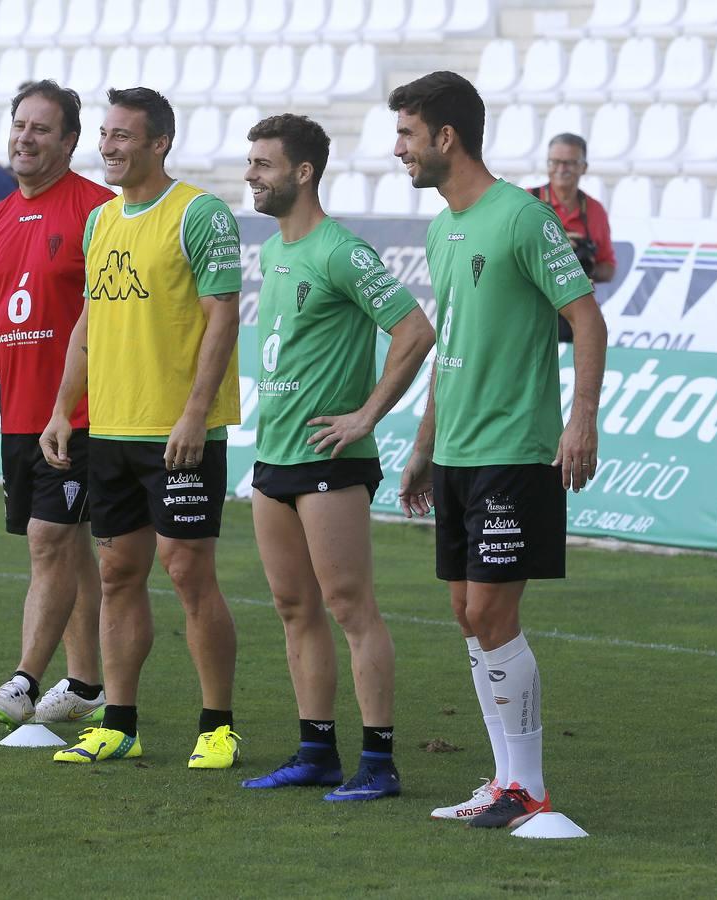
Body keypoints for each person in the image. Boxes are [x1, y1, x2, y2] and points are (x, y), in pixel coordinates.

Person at [389, 72, 606, 829]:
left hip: (516, 450)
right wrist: (423, 443)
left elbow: (586, 320)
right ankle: (504, 782)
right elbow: (453, 346)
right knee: (466, 613)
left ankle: (532, 788)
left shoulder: (522, 217)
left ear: (446, 138)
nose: (399, 151)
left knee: (491, 610)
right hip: (454, 450)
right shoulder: (442, 229)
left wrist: (581, 420)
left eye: (409, 135)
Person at [41, 87, 244, 769]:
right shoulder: (101, 223)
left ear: (160, 143)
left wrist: (194, 412)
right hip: (113, 429)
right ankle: (119, 724)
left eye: (123, 136)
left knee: (187, 571)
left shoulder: (201, 214)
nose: (108, 146)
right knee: (119, 570)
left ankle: (217, 725)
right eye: (103, 135)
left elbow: (223, 315)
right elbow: (89, 326)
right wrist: (65, 411)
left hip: (180, 433)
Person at [238, 114, 435, 802]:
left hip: (330, 462)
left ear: (302, 173)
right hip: (274, 461)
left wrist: (366, 415)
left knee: (351, 608)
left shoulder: (342, 251)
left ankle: (378, 762)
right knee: (294, 608)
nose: (250, 175)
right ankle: (315, 750)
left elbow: (414, 331)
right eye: (250, 161)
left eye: (263, 164)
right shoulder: (275, 252)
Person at [0, 81, 114, 728]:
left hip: (80, 416)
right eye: (20, 125)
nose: (25, 138)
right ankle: (85, 685)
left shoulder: (99, 211)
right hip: (20, 419)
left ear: (70, 142)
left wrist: (75, 404)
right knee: (65, 549)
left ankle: (24, 680)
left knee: (51, 542)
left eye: (41, 129)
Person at [529, 133, 616, 342]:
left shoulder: (595, 210)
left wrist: (581, 263)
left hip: (577, 311)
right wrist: (556, 248)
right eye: (555, 162)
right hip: (533, 308)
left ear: (583, 167)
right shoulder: (527, 201)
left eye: (569, 163)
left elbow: (609, 269)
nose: (560, 169)